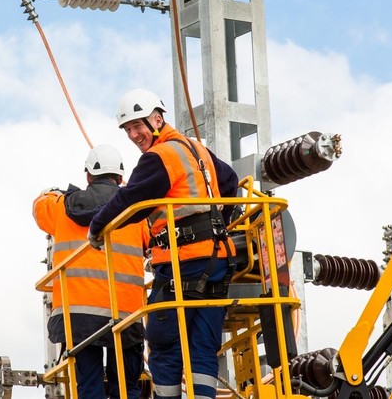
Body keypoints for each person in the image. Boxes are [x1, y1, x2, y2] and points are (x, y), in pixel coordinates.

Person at [88, 89, 239, 399]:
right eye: (128, 129)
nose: (133, 134)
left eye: (138, 126)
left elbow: (129, 199)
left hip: (182, 263)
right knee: (202, 345)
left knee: (165, 342)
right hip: (216, 261)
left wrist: (97, 227)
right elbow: (230, 181)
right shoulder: (195, 149)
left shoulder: (158, 157)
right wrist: (215, 222)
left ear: (157, 119)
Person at [34, 144, 151, 399]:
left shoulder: (62, 207)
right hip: (125, 314)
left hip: (76, 315)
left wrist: (53, 192)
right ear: (121, 178)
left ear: (88, 176)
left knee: (88, 389)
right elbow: (151, 242)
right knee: (126, 389)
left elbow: (39, 206)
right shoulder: (135, 212)